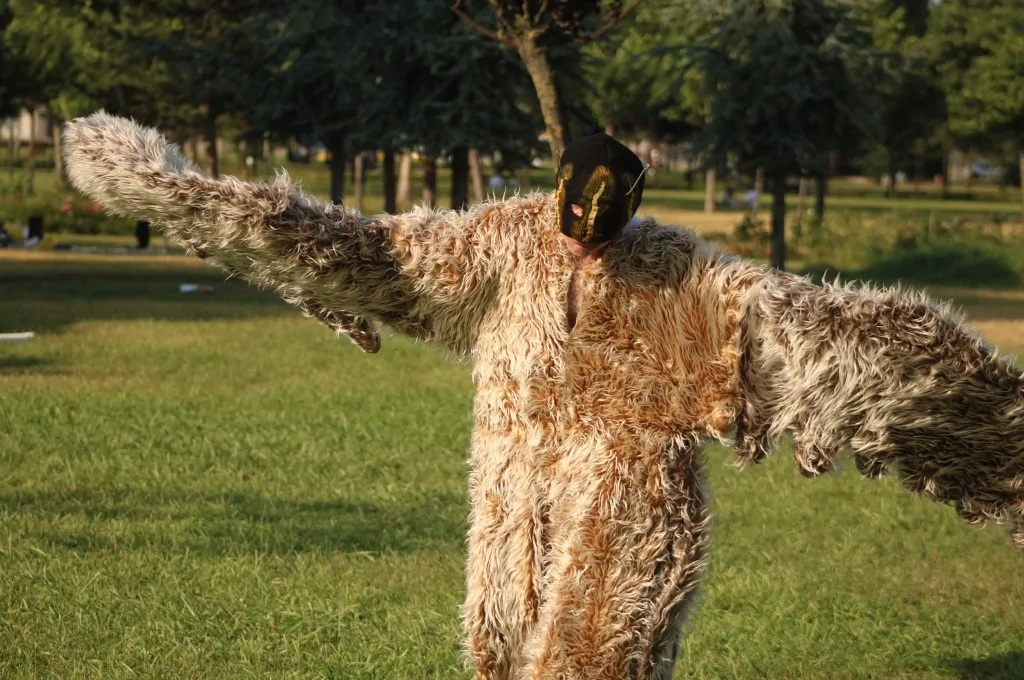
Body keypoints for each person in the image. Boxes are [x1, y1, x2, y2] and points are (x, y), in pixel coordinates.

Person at [63, 113, 1023, 680]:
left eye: (598, 235)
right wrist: (176, 193)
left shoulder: (684, 280)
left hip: (628, 508)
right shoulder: (502, 242)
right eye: (572, 226)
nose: (580, 247)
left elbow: (815, 335)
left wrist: (989, 426)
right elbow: (366, 252)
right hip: (512, 498)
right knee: (498, 651)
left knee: (592, 665)